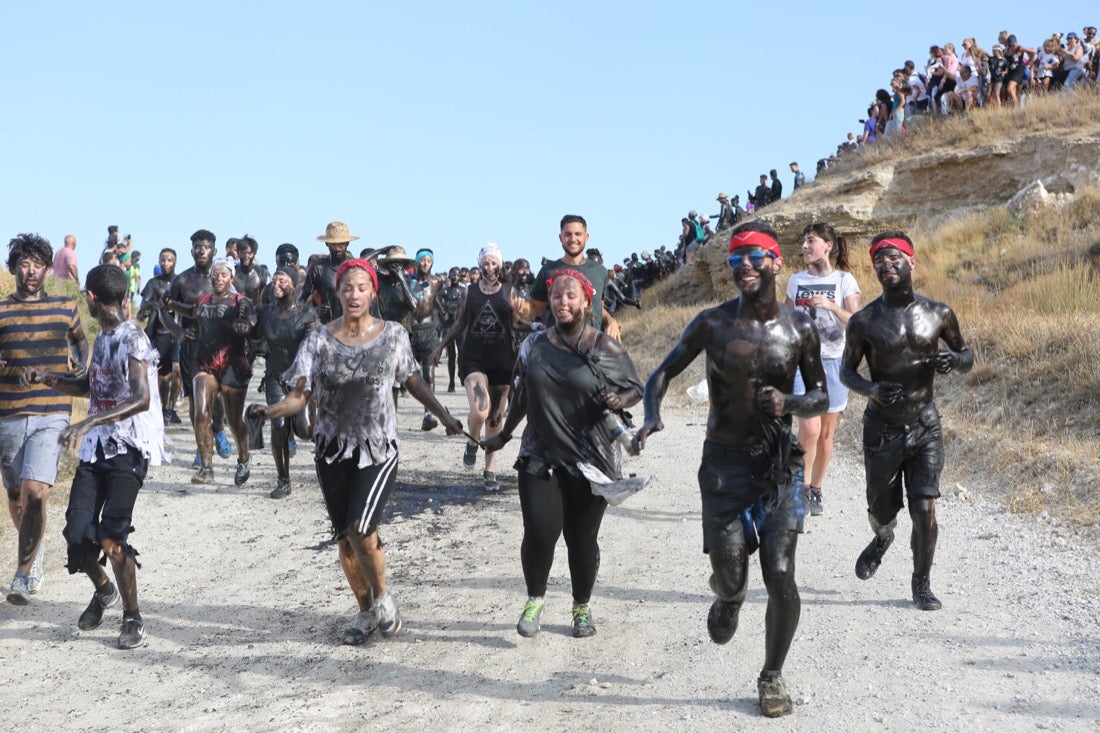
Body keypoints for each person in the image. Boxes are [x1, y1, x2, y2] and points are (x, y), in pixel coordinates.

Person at [633, 222, 827, 718]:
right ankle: (729, 598)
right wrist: (653, 413)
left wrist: (790, 402)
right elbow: (662, 373)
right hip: (723, 466)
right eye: (736, 257)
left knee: (781, 573)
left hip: (782, 465)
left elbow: (822, 396)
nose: (745, 264)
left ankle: (771, 676)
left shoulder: (800, 327)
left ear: (776, 262)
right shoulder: (712, 324)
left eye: (755, 255)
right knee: (732, 578)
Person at [250, 258, 462, 645]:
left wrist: (445, 415)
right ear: (337, 292)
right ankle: (364, 612)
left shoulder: (393, 335)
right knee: (345, 540)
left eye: (362, 287)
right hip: (331, 450)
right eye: (347, 287)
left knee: (362, 530)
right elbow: (299, 396)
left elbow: (413, 381)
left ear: (372, 292)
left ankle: (383, 598)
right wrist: (270, 411)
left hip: (378, 447)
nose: (354, 294)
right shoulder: (318, 340)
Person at [482, 269, 642, 639]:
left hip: (592, 459)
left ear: (587, 301)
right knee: (539, 531)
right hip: (541, 453)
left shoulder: (604, 347)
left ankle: (581, 607)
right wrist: (504, 434)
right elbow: (522, 395)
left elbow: (635, 388)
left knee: (581, 540)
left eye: (571, 296)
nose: (562, 302)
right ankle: (535, 599)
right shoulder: (534, 346)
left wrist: (620, 399)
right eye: (556, 296)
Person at [24, 264, 166, 648]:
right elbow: (90, 384)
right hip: (96, 451)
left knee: (111, 537)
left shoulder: (133, 338)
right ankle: (104, 590)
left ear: (90, 297)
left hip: (128, 450)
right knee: (76, 535)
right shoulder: (102, 338)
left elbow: (141, 399)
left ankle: (133, 618)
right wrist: (47, 378)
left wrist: (87, 423)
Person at [840, 231, 973, 612]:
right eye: (879, 260)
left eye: (894, 257)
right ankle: (882, 538)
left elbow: (965, 355)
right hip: (882, 428)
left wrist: (955, 361)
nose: (886, 264)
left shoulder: (939, 313)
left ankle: (921, 582)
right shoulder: (864, 322)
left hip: (925, 425)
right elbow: (845, 372)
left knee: (925, 508)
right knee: (881, 509)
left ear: (911, 261)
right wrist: (870, 389)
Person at [1, 233, 90, 604]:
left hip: (52, 410)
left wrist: (82, 364)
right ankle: (33, 553)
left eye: (37, 263)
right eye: (24, 263)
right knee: (16, 495)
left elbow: (81, 341)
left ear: (45, 267)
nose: (31, 270)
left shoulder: (64, 306)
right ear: (15, 268)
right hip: (8, 412)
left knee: (36, 491)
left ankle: (23, 572)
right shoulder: (2, 311)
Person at [431, 243, 533, 490]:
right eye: (486, 263)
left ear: (500, 264)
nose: (490, 267)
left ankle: (489, 470)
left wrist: (537, 329)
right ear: (479, 264)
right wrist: (441, 345)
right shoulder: (470, 292)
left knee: (496, 419)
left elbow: (518, 322)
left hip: (502, 360)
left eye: (494, 263)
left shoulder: (510, 292)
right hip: (474, 358)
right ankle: (472, 441)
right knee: (480, 410)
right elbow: (459, 323)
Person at [784, 223, 861, 515]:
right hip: (804, 363)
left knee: (827, 434)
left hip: (834, 362)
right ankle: (799, 488)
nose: (804, 246)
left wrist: (831, 306)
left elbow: (856, 323)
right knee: (809, 427)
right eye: (803, 241)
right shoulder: (795, 281)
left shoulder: (845, 280)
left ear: (827, 245)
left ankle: (815, 489)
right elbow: (786, 319)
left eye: (810, 241)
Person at [168, 258, 256, 486]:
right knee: (201, 411)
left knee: (235, 421)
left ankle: (244, 457)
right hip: (204, 362)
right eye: (215, 275)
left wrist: (245, 325)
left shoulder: (240, 302)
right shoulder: (203, 301)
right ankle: (207, 468)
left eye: (223, 275)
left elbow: (251, 323)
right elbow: (188, 311)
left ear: (231, 278)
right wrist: (170, 304)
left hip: (233, 365)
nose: (218, 278)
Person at [167, 230, 232, 463]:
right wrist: (179, 331)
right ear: (191, 250)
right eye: (197, 246)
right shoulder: (182, 281)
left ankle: (219, 430)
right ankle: (201, 447)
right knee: (197, 401)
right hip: (191, 348)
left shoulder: (222, 279)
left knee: (219, 398)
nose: (201, 250)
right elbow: (164, 310)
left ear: (214, 251)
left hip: (218, 347)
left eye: (205, 247)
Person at [253, 268, 318, 498]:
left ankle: (324, 453)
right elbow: (253, 334)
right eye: (274, 280)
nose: (276, 284)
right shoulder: (264, 312)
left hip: (301, 378)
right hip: (275, 376)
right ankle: (283, 480)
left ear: (294, 285)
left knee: (304, 429)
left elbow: (315, 343)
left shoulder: (307, 313)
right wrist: (243, 320)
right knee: (279, 427)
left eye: (283, 280)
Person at [528, 215, 620, 340]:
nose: (573, 239)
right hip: (557, 348)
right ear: (560, 238)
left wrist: (610, 321)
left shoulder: (600, 272)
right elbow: (534, 309)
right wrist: (517, 307)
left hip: (592, 350)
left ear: (586, 237)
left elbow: (597, 307)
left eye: (578, 234)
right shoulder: (547, 271)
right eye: (568, 234)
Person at [137, 248, 183, 425]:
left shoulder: (180, 282)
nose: (166, 263)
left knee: (177, 371)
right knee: (163, 377)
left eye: (169, 260)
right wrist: (154, 304)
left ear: (175, 262)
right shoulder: (153, 283)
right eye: (163, 260)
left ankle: (171, 408)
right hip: (159, 334)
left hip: (178, 334)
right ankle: (163, 408)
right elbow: (143, 304)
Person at [300, 221, 355, 324]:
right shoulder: (318, 269)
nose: (338, 248)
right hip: (328, 328)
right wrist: (312, 311)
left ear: (347, 243)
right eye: (334, 244)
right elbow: (301, 300)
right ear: (327, 244)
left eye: (341, 244)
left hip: (353, 327)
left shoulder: (355, 268)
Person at [437, 266, 465, 393]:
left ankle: (461, 373)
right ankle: (451, 381)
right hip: (448, 325)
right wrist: (443, 314)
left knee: (461, 353)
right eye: (452, 274)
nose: (454, 276)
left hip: (461, 325)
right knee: (451, 356)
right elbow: (437, 303)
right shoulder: (444, 291)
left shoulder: (464, 290)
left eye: (457, 274)